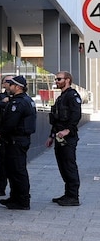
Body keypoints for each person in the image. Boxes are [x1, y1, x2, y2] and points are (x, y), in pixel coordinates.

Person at [0, 75, 36, 210]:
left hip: (16, 140)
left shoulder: (18, 102)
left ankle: (22, 200)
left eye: (11, 85)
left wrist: (0, 133)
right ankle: (15, 198)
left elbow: (10, 123)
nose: (9, 87)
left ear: (18, 87)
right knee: (13, 170)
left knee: (18, 171)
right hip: (18, 140)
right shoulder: (26, 100)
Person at [46, 71, 81, 206]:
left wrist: (68, 130)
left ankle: (73, 197)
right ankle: (68, 194)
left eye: (59, 79)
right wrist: (51, 136)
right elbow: (56, 120)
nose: (56, 81)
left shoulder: (72, 96)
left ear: (67, 80)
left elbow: (76, 115)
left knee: (69, 166)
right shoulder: (61, 97)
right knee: (63, 166)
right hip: (59, 137)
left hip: (68, 138)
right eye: (56, 79)